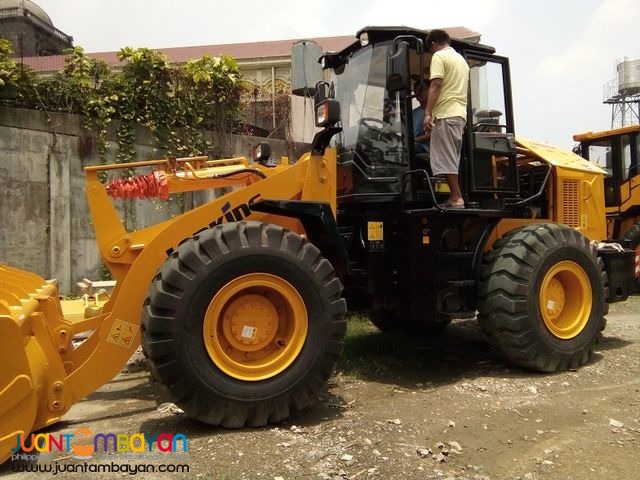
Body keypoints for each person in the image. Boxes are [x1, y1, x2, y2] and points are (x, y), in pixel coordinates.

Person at [423, 29, 469, 209]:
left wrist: (428, 113)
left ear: (433, 44)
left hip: (446, 113)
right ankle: (455, 196)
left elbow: (436, 84)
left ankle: (456, 198)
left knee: (445, 157)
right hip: (459, 115)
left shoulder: (439, 57)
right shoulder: (462, 61)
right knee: (452, 157)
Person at [412, 79, 430, 154]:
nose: (420, 93)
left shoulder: (436, 111)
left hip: (427, 148)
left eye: (424, 89)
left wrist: (413, 140)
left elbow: (433, 134)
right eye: (417, 91)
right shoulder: (413, 113)